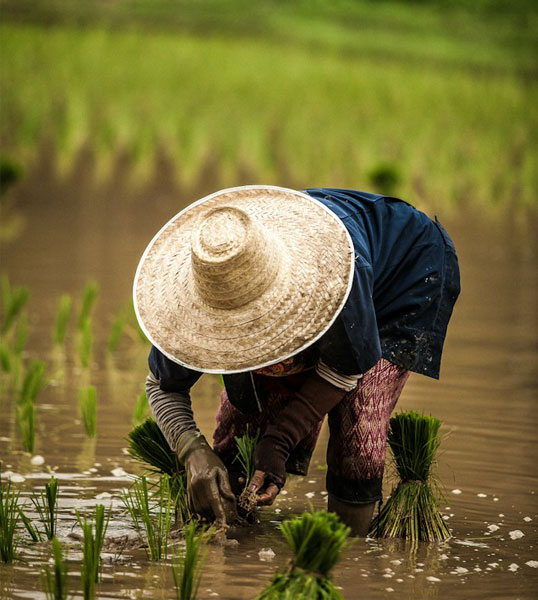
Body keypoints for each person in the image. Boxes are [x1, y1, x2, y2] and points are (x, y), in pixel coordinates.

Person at [133, 185, 460, 535]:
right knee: (244, 421)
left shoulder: (334, 279)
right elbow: (161, 385)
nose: (245, 334)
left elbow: (347, 367)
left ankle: (345, 552)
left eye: (254, 322)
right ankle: (235, 525)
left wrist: (281, 439)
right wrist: (192, 452)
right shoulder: (198, 297)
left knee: (359, 424)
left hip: (403, 273)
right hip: (308, 269)